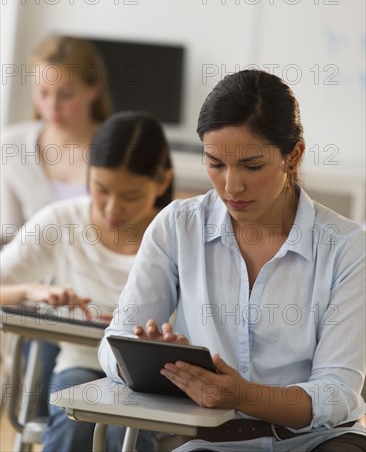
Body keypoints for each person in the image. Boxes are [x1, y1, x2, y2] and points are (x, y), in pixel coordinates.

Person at [99, 70, 366, 452]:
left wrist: (243, 395)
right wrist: (151, 360)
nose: (231, 185)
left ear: (294, 156)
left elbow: (337, 392)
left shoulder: (346, 246)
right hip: (208, 443)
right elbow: (113, 344)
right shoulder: (177, 227)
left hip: (316, 441)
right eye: (215, 163)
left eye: (252, 166)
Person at [1, 111, 174, 452]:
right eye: (101, 189)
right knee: (73, 420)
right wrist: (30, 291)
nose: (112, 208)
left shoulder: (176, 234)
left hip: (153, 380)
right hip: (80, 363)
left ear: (163, 181)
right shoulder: (61, 221)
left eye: (130, 196)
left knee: (125, 434)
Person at [1, 34, 112, 245]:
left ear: (94, 89)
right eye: (43, 93)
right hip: (28, 273)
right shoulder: (10, 146)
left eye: (66, 94)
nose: (52, 106)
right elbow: (8, 234)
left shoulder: (120, 148)